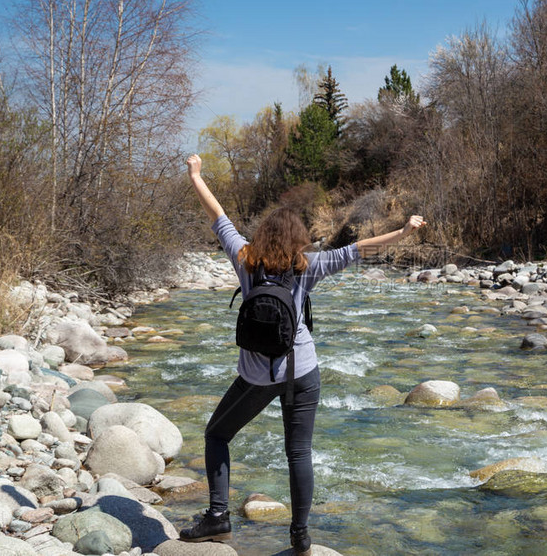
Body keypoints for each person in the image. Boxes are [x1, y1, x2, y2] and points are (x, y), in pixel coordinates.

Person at [180, 154, 426, 554]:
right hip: (303, 372)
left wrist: (195, 175)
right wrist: (402, 232)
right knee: (298, 451)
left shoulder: (245, 259)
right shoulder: (308, 266)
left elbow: (217, 213)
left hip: (257, 377)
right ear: (298, 238)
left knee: (217, 434)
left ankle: (219, 518)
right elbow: (360, 248)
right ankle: (300, 537)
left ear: (262, 235)